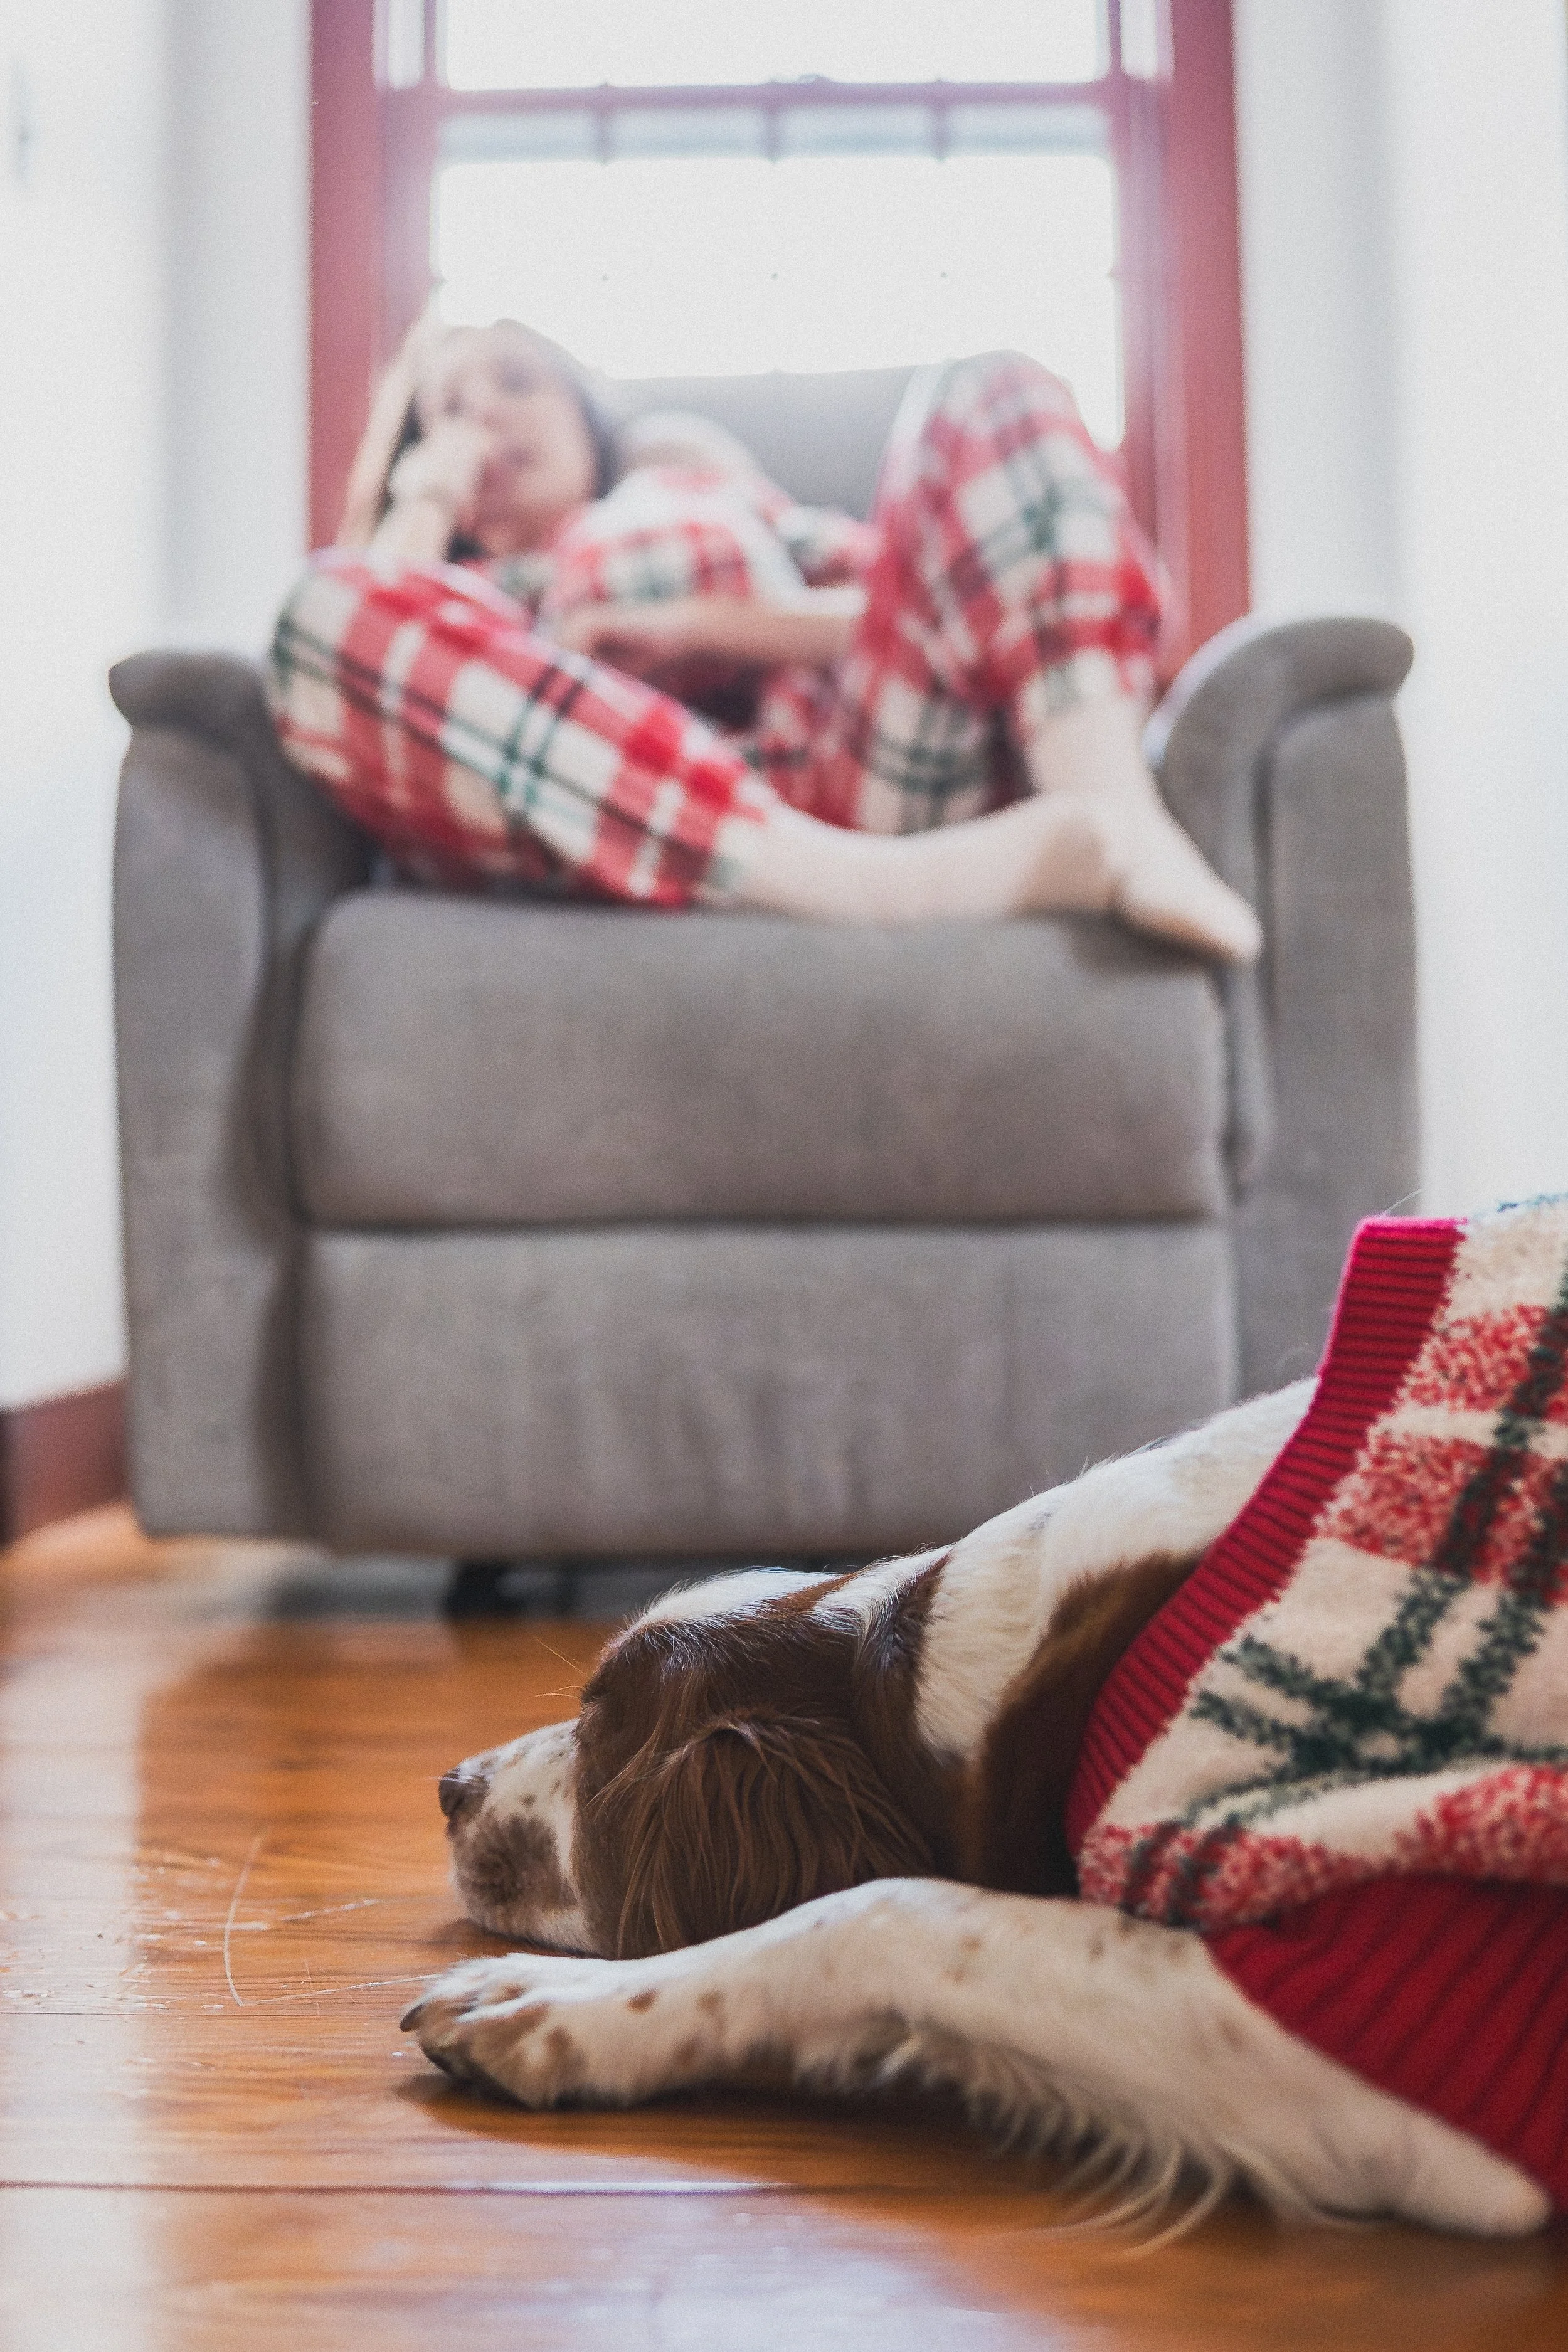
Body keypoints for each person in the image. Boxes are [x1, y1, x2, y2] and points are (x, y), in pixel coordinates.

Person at [268, 316, 1261, 961]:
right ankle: (849, 894)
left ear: (585, 417)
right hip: (609, 842)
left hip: (858, 771)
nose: (482, 412)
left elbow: (925, 605)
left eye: (517, 382)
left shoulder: (706, 493)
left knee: (996, 383)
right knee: (321, 606)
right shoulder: (458, 588)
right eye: (449, 408)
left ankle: (1117, 819)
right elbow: (367, 621)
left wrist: (705, 627)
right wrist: (430, 489)